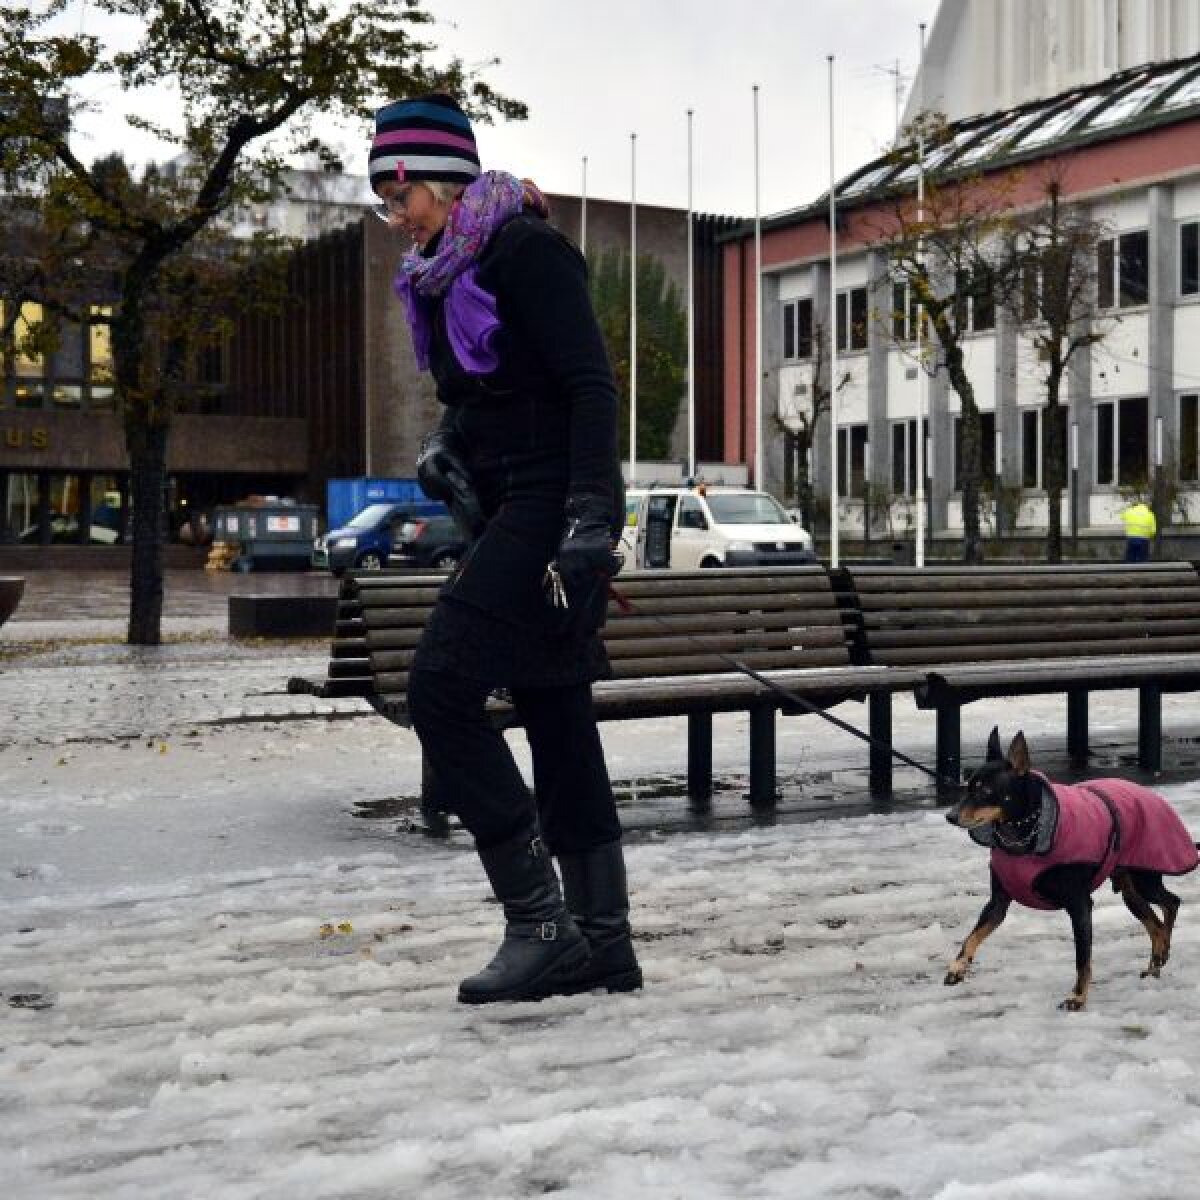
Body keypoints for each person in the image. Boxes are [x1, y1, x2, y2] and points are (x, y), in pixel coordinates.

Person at [368, 93, 641, 1004]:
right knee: (557, 714)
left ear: (436, 183)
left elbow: (589, 387)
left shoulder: (524, 249)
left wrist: (592, 520)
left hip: (549, 505)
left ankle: (541, 923)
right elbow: (485, 392)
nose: (393, 218)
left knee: (437, 689)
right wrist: (449, 442)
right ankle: (602, 941)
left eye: (395, 195)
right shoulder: (445, 271)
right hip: (506, 505)